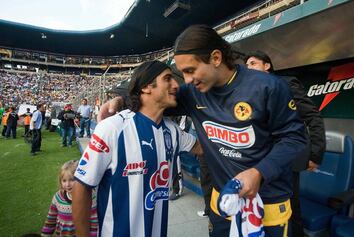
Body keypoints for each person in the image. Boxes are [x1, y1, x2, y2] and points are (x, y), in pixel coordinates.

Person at [98, 25, 307, 237]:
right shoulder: (192, 93)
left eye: (190, 70)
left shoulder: (268, 87)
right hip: (223, 203)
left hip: (268, 206)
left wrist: (258, 173)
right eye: (183, 74)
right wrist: (120, 101)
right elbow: (153, 99)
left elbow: (295, 138)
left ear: (216, 58)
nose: (187, 81)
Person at [72, 60, 202, 237]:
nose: (176, 84)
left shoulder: (173, 131)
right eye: (168, 78)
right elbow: (82, 186)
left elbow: (203, 148)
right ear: (147, 87)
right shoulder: (112, 128)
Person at [245, 50, 326, 237]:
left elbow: (313, 116)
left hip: (287, 158)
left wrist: (315, 154)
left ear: (267, 66)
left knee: (290, 206)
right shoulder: (249, 91)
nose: (249, 68)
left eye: (253, 63)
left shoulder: (286, 84)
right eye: (247, 65)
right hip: (261, 159)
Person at [41, 160, 97, 236]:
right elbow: (51, 218)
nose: (67, 184)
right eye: (64, 180)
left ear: (81, 178)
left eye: (72, 180)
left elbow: (94, 222)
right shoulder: (58, 197)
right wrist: (45, 235)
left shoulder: (90, 197)